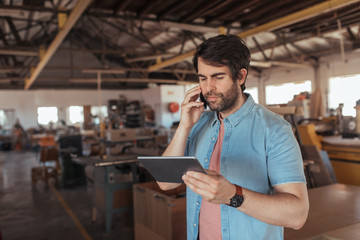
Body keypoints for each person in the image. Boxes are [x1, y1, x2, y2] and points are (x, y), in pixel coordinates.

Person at [157, 34, 309, 240]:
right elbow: (166, 183)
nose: (208, 87)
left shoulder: (275, 130)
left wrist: (233, 196)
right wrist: (184, 126)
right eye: (203, 78)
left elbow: (298, 215)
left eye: (218, 77)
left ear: (240, 76)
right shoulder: (198, 124)